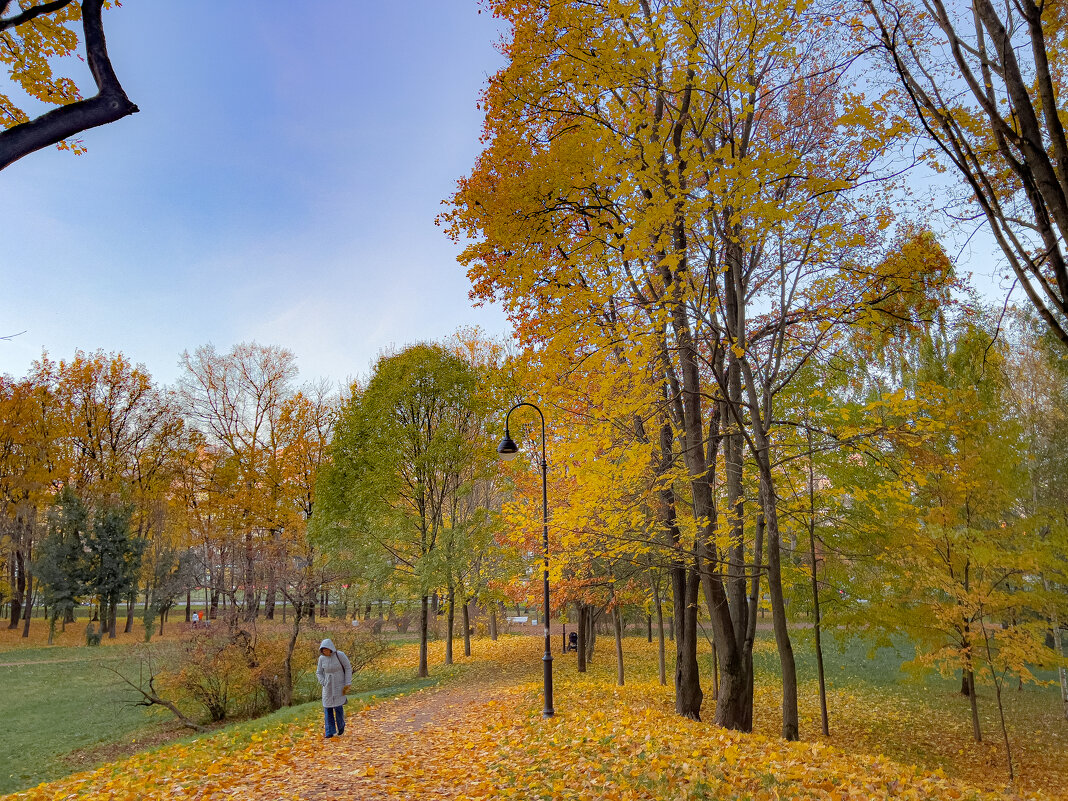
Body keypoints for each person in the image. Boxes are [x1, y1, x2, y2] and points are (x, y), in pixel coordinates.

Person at [316, 638, 352, 738]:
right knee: (327, 708)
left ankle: (341, 726)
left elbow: (348, 668)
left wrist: (347, 682)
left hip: (339, 685)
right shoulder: (321, 659)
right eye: (323, 650)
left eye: (326, 649)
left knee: (338, 706)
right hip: (327, 686)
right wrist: (323, 682)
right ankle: (329, 731)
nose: (325, 652)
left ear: (330, 648)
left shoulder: (340, 655)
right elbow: (318, 672)